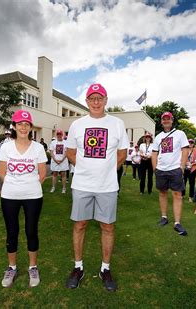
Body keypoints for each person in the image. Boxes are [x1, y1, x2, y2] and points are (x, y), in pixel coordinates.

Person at [65, 83, 128, 292]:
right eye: (92, 98)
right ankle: (78, 267)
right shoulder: (77, 124)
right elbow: (70, 152)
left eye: (99, 98)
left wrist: (108, 170)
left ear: (106, 100)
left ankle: (105, 268)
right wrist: (85, 168)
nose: (96, 102)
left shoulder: (117, 123)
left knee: (107, 226)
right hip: (82, 184)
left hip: (107, 186)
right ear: (87, 102)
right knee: (80, 224)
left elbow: (122, 153)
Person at [0, 109, 47, 288]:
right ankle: (11, 267)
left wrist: (29, 186)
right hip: (9, 195)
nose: (23, 127)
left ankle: (33, 267)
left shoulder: (38, 148)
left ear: (30, 127)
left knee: (31, 231)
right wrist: (15, 184)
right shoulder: (6, 147)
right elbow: (1, 173)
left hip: (33, 196)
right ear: (14, 126)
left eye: (27, 124)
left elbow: (42, 174)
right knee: (12, 232)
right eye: (20, 124)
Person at [151, 112, 189, 236]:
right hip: (161, 169)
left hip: (175, 169)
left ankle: (177, 223)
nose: (166, 121)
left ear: (172, 120)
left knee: (177, 194)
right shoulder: (158, 137)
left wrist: (182, 167)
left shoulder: (180, 134)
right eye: (164, 119)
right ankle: (164, 217)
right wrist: (155, 168)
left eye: (168, 119)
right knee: (162, 193)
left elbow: (185, 150)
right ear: (161, 121)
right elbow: (155, 153)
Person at [49, 129, 69, 194]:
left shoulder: (65, 142)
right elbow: (51, 152)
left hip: (63, 161)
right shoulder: (53, 142)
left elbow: (66, 152)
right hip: (55, 161)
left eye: (60, 134)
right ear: (56, 135)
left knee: (63, 174)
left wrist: (62, 160)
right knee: (54, 174)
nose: (59, 135)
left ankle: (64, 188)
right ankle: (53, 187)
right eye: (58, 134)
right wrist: (55, 160)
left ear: (62, 135)